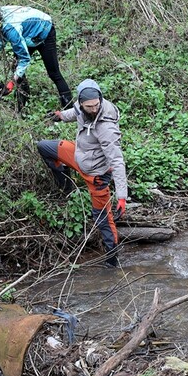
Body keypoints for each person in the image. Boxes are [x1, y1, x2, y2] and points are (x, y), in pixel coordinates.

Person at [36, 79, 127, 267]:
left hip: (97, 176)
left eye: (96, 105)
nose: (93, 109)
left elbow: (117, 161)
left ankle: (112, 262)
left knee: (103, 220)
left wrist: (122, 197)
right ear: (82, 102)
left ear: (100, 99)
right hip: (78, 156)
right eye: (89, 106)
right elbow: (75, 112)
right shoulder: (81, 106)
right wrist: (60, 115)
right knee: (44, 147)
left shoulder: (106, 128)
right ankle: (66, 186)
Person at [0, 3, 72, 110]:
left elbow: (24, 59)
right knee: (16, 69)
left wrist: (12, 82)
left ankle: (69, 109)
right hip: (27, 33)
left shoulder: (12, 29)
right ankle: (22, 105)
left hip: (44, 31)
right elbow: (1, 32)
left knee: (54, 73)